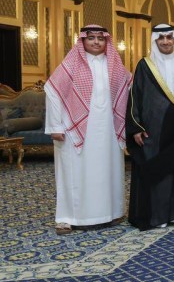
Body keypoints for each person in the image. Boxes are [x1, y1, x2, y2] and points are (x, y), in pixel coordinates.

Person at [44, 25, 131, 235]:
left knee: (107, 171)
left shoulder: (115, 67)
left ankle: (110, 213)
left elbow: (128, 92)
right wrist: (55, 126)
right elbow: (52, 92)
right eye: (91, 38)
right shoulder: (70, 64)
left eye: (100, 38)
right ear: (82, 40)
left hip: (108, 130)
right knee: (74, 173)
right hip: (74, 129)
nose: (96, 42)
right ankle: (67, 218)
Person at [126, 24, 174, 231]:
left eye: (169, 37)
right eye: (161, 38)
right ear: (155, 41)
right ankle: (157, 215)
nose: (166, 42)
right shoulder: (145, 65)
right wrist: (136, 127)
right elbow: (135, 97)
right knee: (157, 171)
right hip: (153, 130)